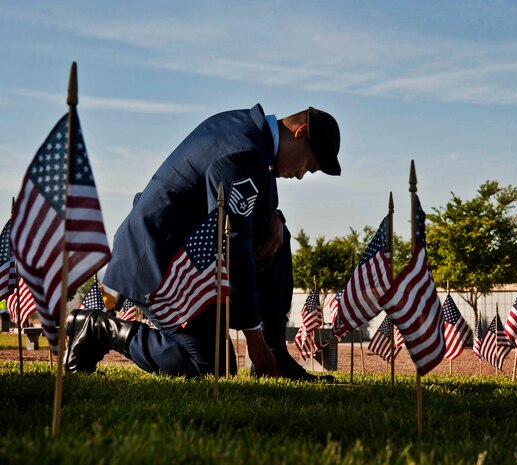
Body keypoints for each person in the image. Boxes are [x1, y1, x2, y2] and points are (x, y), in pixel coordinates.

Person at [64, 104, 340, 379]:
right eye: (309, 165)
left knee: (276, 234)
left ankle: (275, 353)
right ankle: (98, 329)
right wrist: (253, 336)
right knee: (210, 367)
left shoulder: (256, 139)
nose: (302, 174)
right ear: (300, 133)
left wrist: (276, 218)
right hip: (161, 259)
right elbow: (232, 243)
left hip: (195, 255)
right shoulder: (244, 151)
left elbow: (248, 213)